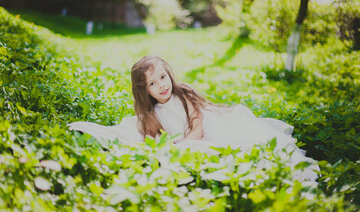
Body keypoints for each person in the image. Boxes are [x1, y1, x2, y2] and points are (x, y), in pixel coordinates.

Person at [68, 55, 319, 181]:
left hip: (211, 128)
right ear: (144, 90)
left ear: (169, 74)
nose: (161, 85)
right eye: (152, 83)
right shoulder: (150, 114)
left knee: (246, 146)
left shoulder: (183, 93)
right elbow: (156, 140)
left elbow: (198, 130)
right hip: (184, 138)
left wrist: (182, 147)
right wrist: (168, 149)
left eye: (163, 77)